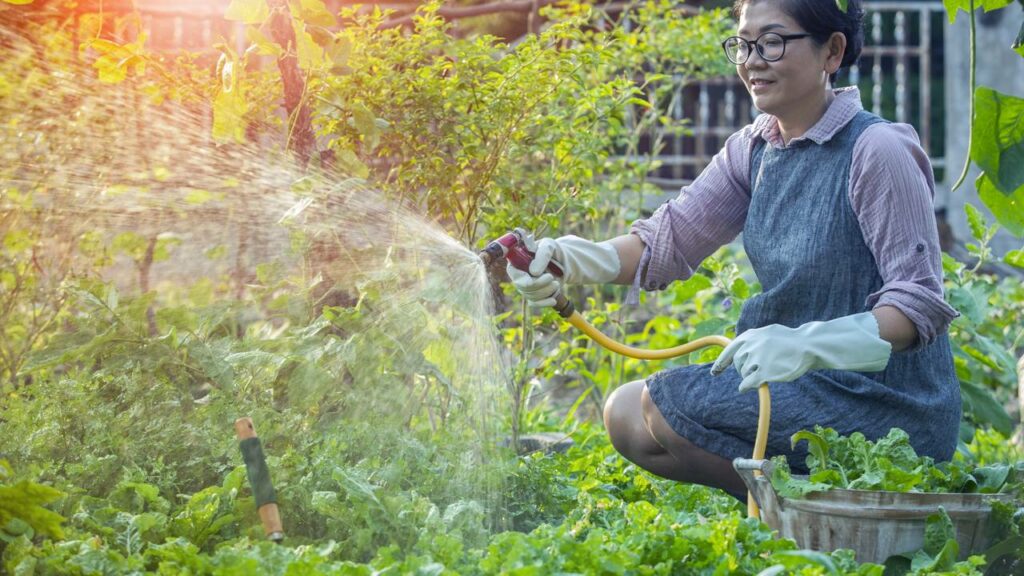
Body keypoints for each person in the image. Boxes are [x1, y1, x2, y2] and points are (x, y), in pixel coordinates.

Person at [507, 0, 960, 500]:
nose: (751, 60)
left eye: (772, 42)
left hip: (886, 404)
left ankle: (800, 518)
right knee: (626, 414)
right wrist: (569, 259)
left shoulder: (876, 150)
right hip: (796, 389)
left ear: (832, 52)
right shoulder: (755, 149)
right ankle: (797, 509)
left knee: (660, 407)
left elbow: (916, 308)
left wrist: (806, 344)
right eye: (743, 44)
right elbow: (667, 240)